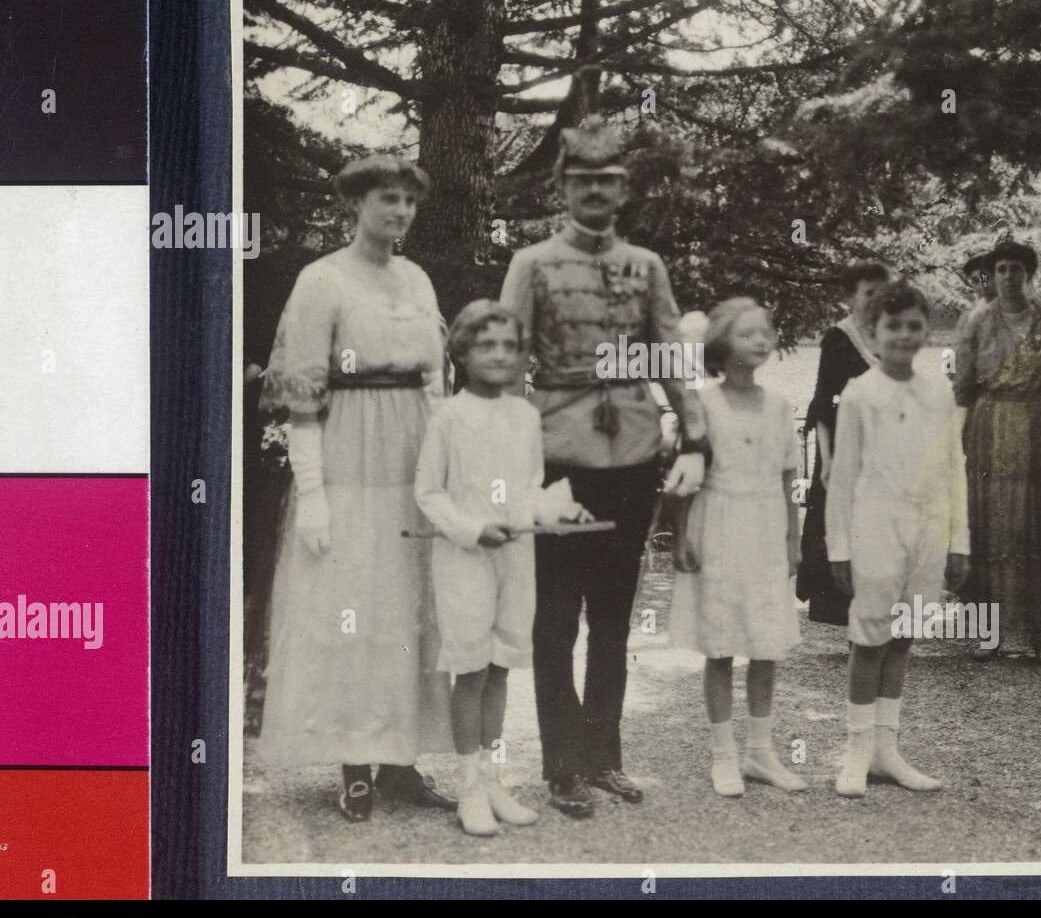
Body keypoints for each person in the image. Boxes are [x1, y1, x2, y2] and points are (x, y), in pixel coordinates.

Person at [499, 124, 706, 818]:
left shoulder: (647, 265)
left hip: (634, 453)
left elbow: (672, 353)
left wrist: (696, 441)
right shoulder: (532, 263)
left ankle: (604, 755)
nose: (594, 189)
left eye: (607, 178)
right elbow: (502, 357)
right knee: (555, 618)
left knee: (615, 618)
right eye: (580, 178)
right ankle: (562, 768)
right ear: (562, 187)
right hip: (557, 453)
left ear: (623, 189)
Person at [257, 154, 454, 822]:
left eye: (408, 201)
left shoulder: (419, 280)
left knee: (409, 603)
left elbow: (436, 380)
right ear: (355, 205)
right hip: (348, 453)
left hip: (413, 453)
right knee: (353, 601)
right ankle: (354, 763)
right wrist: (312, 491)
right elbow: (302, 393)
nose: (398, 212)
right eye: (386, 199)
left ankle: (400, 760)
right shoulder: (323, 280)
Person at [415, 300, 593, 835]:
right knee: (469, 669)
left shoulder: (525, 416)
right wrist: (472, 529)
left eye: (510, 346)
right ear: (463, 352)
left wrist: (556, 512)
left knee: (499, 669)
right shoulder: (447, 415)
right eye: (486, 345)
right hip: (466, 557)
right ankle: (469, 786)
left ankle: (492, 779)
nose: (499, 355)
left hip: (517, 556)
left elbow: (529, 488)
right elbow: (428, 492)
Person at [826, 281, 968, 793]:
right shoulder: (860, 393)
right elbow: (843, 476)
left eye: (914, 326)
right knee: (870, 638)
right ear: (872, 331)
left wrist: (960, 541)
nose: (904, 336)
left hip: (929, 526)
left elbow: (955, 467)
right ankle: (857, 751)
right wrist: (839, 547)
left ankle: (887, 749)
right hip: (876, 526)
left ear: (928, 331)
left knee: (904, 635)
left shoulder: (940, 392)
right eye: (893, 327)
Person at [671, 298, 806, 797]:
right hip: (720, 522)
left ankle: (761, 752)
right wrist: (682, 534)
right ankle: (724, 757)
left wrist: (793, 535)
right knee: (722, 644)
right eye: (748, 333)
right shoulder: (703, 404)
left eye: (766, 332)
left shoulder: (780, 405)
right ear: (723, 344)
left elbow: (790, 473)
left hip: (767, 524)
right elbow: (686, 474)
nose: (761, 341)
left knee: (767, 642)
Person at [954, 241, 1041, 664]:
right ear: (992, 275)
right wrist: (953, 449)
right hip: (987, 430)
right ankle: (988, 633)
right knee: (989, 529)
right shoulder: (975, 323)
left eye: (1016, 269)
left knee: (1040, 529)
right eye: (1001, 269)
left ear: (1029, 274)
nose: (1008, 276)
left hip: (1037, 430)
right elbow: (962, 393)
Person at [797, 260, 890, 626]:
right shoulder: (838, 338)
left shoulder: (891, 333)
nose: (877, 299)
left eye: (883, 292)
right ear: (850, 297)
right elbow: (822, 402)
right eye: (869, 293)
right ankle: (845, 610)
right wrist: (829, 459)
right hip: (844, 448)